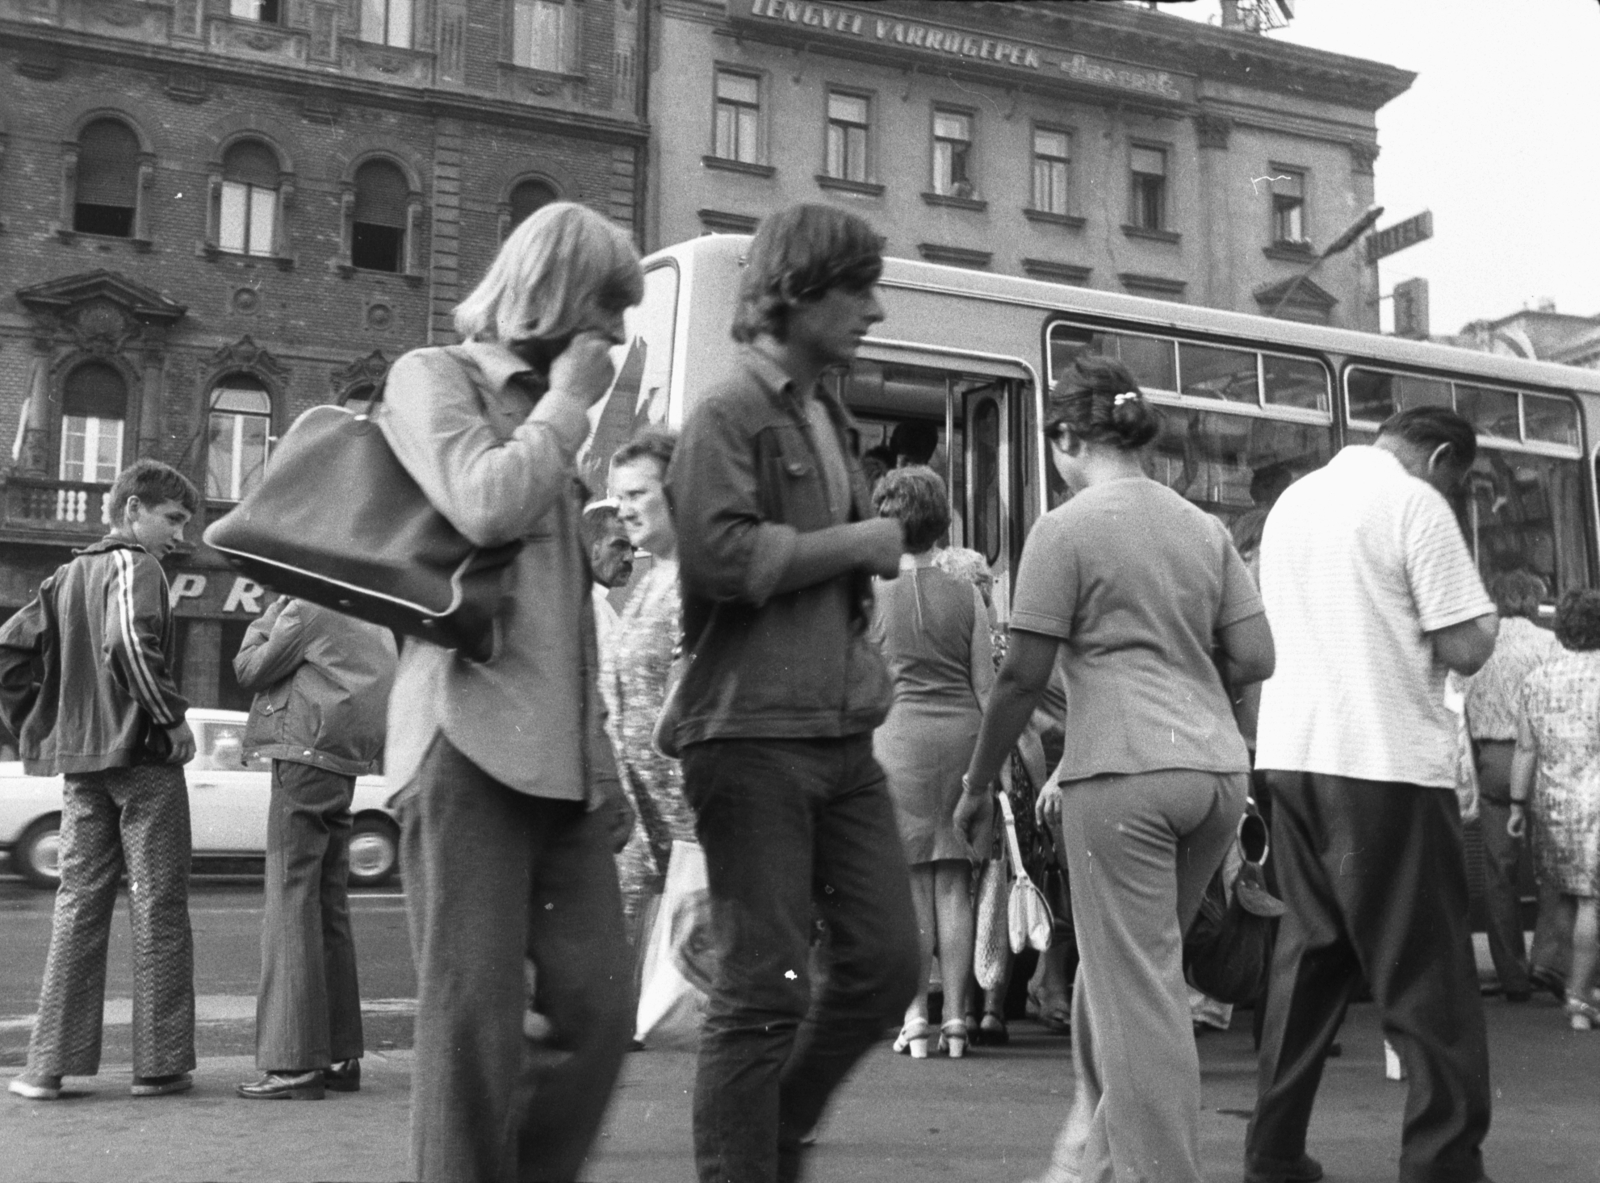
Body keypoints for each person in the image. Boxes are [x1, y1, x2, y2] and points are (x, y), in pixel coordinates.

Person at [954, 355, 1274, 1183]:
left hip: (1122, 777)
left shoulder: (1064, 528)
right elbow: (1256, 654)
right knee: (1121, 966)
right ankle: (1092, 1157)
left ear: (1065, 436)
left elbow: (1022, 675)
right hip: (1214, 775)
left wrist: (975, 783)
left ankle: (1156, 1173)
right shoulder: (1203, 526)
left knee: (1138, 991)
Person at [375, 201, 641, 1182]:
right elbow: (483, 503)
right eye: (607, 309)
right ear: (557, 297)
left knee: (601, 1011)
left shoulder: (550, 421)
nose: (615, 335)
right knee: (472, 1031)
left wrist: (602, 760)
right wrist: (567, 401)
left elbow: (568, 615)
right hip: (464, 743)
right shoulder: (431, 377)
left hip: (560, 763)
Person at [665, 202, 920, 1183]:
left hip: (839, 735)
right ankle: (745, 1165)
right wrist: (858, 544)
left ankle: (773, 1127)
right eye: (857, 290)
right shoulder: (728, 414)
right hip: (750, 737)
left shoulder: (826, 408)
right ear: (797, 293)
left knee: (890, 964)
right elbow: (718, 554)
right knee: (761, 984)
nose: (875, 311)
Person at [1248, 405, 1500, 1183]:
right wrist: (1489, 615)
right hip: (1383, 761)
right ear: (1442, 459)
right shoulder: (1415, 502)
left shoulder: (1295, 501)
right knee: (1427, 971)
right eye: (1459, 481)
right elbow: (1463, 642)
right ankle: (1441, 1160)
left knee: (1309, 957)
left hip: (1291, 754)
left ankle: (1274, 1150)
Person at [0, 459, 200, 1101]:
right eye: (171, 519)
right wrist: (171, 719)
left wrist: (44, 725)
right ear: (133, 508)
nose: (177, 536)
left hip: (81, 766)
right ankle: (159, 1065)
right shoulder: (134, 566)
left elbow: (9, 653)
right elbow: (130, 647)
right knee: (159, 902)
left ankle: (45, 1068)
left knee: (78, 903)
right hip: (141, 760)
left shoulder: (63, 577)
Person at [231, 597, 397, 1100]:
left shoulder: (306, 607)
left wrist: (271, 613)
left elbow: (248, 667)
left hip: (301, 756)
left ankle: (294, 1062)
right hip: (342, 761)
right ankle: (341, 1055)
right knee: (329, 905)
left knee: (290, 900)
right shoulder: (375, 614)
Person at [869, 466, 994, 1060]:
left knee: (914, 888)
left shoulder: (872, 594)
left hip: (899, 744)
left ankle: (916, 1018)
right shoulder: (967, 592)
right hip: (964, 743)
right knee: (957, 886)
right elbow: (987, 688)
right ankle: (959, 1022)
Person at [602, 426, 696, 935]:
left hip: (690, 825)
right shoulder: (645, 582)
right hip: (639, 823)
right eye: (619, 497)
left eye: (637, 493)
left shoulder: (700, 586)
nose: (624, 509)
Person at [1465, 570, 1559, 1003]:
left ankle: (1512, 975)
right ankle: (1546, 960)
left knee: (1498, 873)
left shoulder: (1480, 645)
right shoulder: (1548, 645)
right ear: (1533, 602)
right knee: (1553, 869)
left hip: (1490, 760)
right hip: (1539, 759)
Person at [1508, 589, 1600, 1030]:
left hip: (1552, 800)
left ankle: (1571, 985)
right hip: (1597, 800)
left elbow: (1525, 750)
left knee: (1563, 895)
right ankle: (1581, 998)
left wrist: (1515, 804)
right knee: (1593, 902)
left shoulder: (1537, 680)